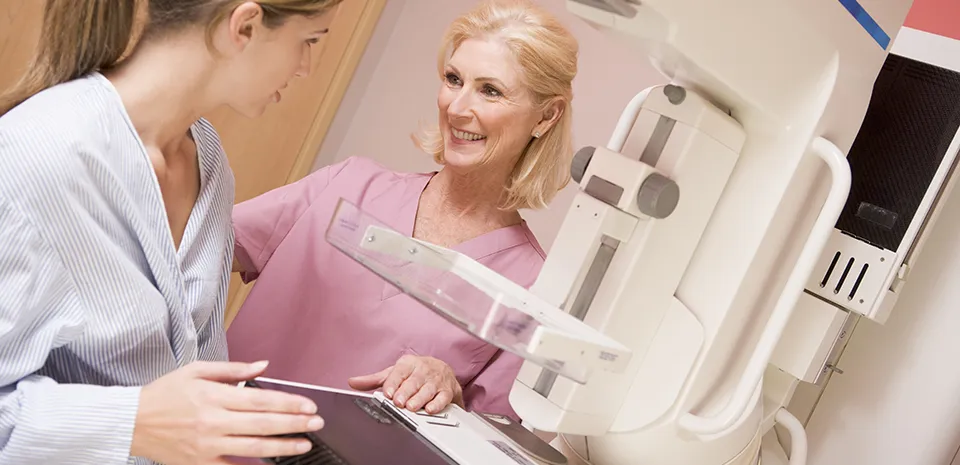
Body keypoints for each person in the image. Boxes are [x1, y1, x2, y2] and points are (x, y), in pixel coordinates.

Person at [0, 1, 343, 463]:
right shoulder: (33, 158)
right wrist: (133, 421)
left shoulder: (208, 160)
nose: (306, 67)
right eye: (310, 40)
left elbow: (197, 365)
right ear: (244, 25)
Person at [226, 0, 579, 420]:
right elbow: (186, 245)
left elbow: (493, 440)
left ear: (546, 116)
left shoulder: (530, 288)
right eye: (453, 79)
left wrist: (450, 391)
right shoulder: (347, 185)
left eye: (490, 90)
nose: (456, 106)